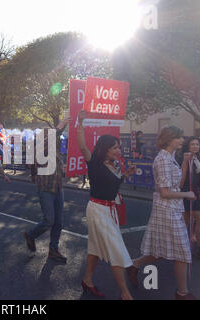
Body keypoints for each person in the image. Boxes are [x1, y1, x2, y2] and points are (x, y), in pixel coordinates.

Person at [129, 126, 197, 300]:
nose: (183, 140)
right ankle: (182, 293)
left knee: (159, 250)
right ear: (169, 139)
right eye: (179, 137)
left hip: (172, 209)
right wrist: (187, 195)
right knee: (182, 251)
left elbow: (177, 185)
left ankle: (134, 264)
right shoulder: (163, 160)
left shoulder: (171, 157)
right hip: (167, 210)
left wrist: (185, 163)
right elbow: (165, 192)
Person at [76, 110, 136, 300]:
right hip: (97, 209)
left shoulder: (115, 165)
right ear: (105, 148)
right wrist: (80, 122)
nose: (117, 150)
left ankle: (87, 280)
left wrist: (126, 175)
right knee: (117, 250)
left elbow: (114, 185)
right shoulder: (94, 162)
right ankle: (125, 293)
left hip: (109, 211)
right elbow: (82, 145)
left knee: (94, 248)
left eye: (118, 147)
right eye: (114, 148)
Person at [23, 116, 72, 264]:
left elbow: (59, 168)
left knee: (58, 222)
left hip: (58, 188)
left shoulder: (56, 152)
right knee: (49, 220)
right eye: (49, 135)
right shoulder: (40, 149)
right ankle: (31, 235)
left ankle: (53, 250)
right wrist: (62, 124)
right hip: (45, 189)